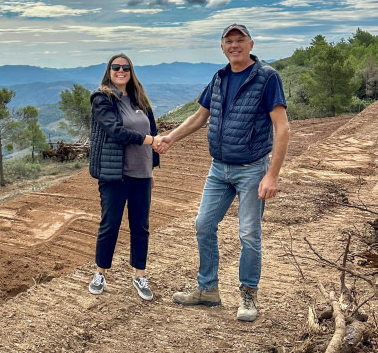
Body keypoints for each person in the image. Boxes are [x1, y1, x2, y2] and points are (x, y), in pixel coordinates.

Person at [155, 24, 290, 321]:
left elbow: (283, 128)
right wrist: (171, 137)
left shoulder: (267, 77)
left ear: (251, 43)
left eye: (240, 40)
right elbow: (200, 116)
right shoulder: (219, 78)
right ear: (222, 47)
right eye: (229, 41)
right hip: (219, 169)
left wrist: (272, 175)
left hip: (252, 169)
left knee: (249, 233)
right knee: (203, 224)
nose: (234, 45)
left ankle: (249, 296)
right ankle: (207, 290)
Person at [88, 53, 161, 300]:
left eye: (125, 67)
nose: (121, 71)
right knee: (110, 225)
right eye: (116, 67)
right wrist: (150, 140)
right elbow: (116, 131)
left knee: (140, 226)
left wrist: (154, 159)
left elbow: (152, 130)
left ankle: (140, 276)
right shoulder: (102, 99)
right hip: (114, 174)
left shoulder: (140, 99)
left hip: (142, 173)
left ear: (131, 71)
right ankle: (100, 273)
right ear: (109, 71)